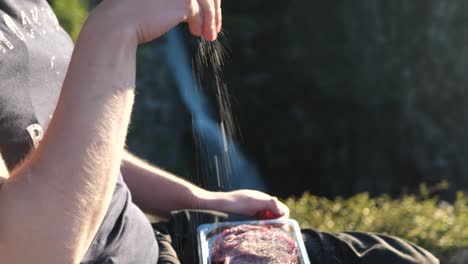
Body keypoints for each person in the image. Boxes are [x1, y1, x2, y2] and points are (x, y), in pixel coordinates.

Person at [0, 0, 439, 263]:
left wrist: (200, 200)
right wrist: (112, 27)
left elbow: (74, 147)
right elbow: (35, 252)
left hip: (164, 244)